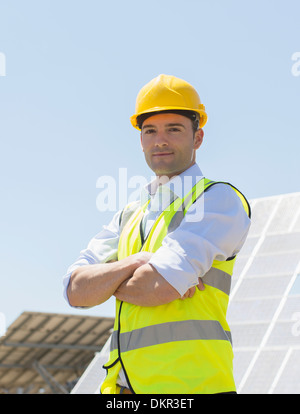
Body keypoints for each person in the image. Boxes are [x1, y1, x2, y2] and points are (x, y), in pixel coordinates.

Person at [63, 74, 251, 394]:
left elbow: (158, 287)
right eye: (150, 131)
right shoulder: (130, 213)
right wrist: (136, 263)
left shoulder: (218, 200)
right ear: (141, 141)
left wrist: (108, 283)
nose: (159, 140)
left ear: (198, 137)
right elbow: (75, 290)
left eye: (173, 129)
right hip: (123, 391)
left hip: (193, 389)